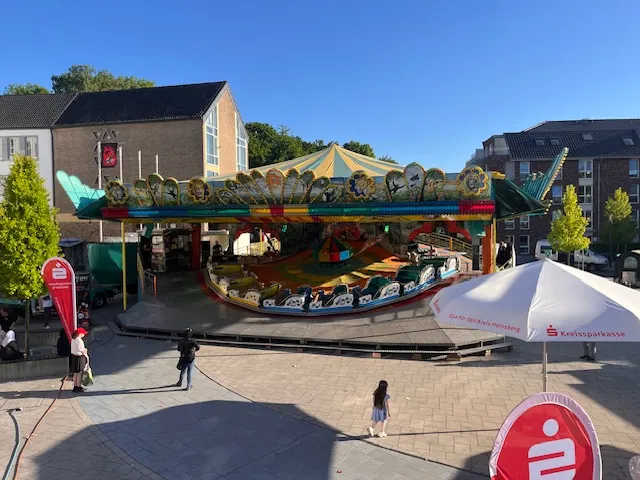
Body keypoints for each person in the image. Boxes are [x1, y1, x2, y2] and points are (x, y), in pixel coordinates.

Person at [70, 328, 89, 392]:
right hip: (79, 357)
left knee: (75, 372)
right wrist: (86, 351)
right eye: (83, 333)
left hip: (74, 356)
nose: (84, 334)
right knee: (80, 373)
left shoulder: (73, 339)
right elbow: (82, 350)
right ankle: (78, 386)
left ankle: (75, 386)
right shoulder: (79, 341)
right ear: (80, 334)